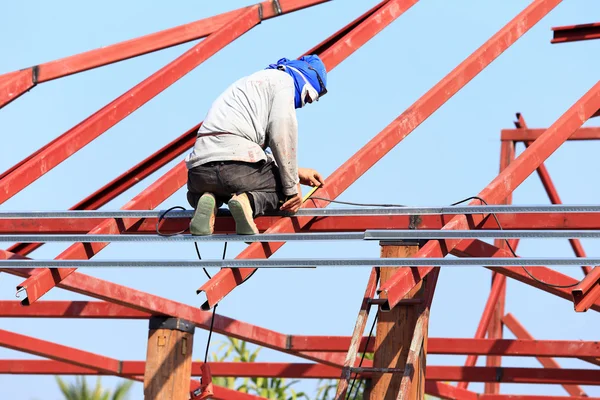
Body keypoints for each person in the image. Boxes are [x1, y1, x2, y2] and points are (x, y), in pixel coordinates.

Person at [184, 55, 328, 236]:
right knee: (284, 193)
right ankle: (247, 202)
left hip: (198, 175)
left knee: (214, 187)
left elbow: (246, 146)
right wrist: (292, 187)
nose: (304, 104)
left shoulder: (250, 83)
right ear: (305, 79)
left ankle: (206, 200)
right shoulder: (284, 82)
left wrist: (297, 171)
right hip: (237, 170)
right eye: (308, 98)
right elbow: (281, 136)